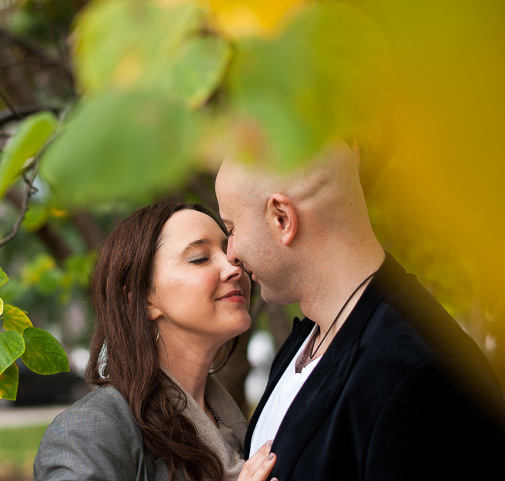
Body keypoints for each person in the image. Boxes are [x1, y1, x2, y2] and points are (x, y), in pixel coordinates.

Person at [215, 141, 505, 480]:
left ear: (282, 218)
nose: (231, 254)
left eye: (232, 228)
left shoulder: (423, 376)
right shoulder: (308, 337)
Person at [34, 202, 277, 481]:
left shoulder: (239, 425)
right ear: (141, 298)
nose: (233, 268)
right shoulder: (89, 430)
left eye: (231, 254)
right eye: (199, 258)